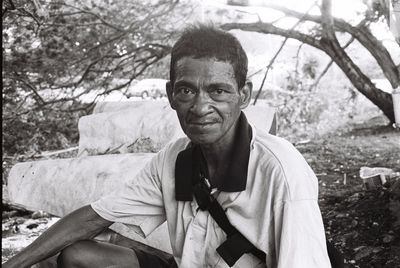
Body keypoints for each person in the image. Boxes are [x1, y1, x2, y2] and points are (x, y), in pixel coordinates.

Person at [4, 24, 331, 268]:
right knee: (79, 256)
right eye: (188, 91)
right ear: (171, 94)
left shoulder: (280, 170)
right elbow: (93, 218)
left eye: (218, 91)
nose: (201, 107)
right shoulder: (175, 159)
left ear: (243, 95)